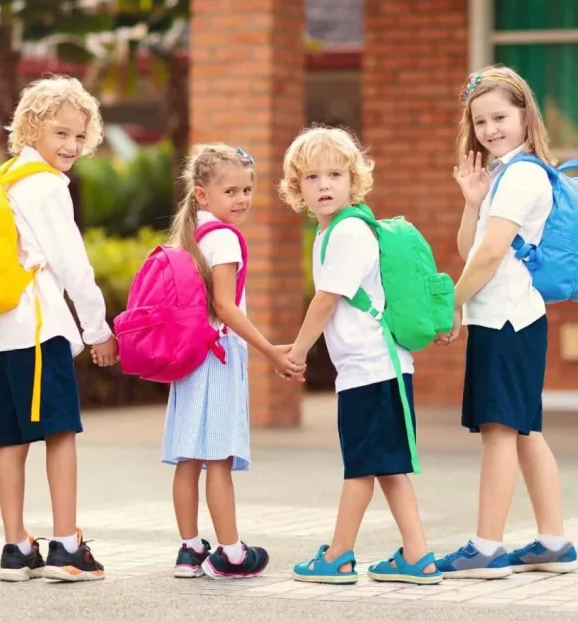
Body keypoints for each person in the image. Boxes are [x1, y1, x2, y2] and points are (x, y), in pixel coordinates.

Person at [0, 75, 117, 582]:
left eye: (80, 136)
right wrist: (98, 330)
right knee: (60, 433)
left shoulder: (4, 181)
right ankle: (67, 546)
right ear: (31, 129)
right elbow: (74, 267)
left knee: (10, 440)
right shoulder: (47, 187)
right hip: (37, 329)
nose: (72, 146)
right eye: (61, 134)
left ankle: (16, 548)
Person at [434, 66, 578, 579]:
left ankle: (485, 547)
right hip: (513, 317)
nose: (490, 129)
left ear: (524, 115)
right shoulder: (503, 175)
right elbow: (470, 246)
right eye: (480, 121)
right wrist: (473, 201)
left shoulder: (523, 174)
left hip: (507, 320)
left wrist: (451, 302)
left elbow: (493, 252)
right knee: (522, 431)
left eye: (500, 117)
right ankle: (554, 542)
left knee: (499, 430)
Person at [281, 127, 441, 586]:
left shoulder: (349, 231)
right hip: (374, 369)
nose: (324, 184)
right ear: (298, 189)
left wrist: (298, 351)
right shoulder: (333, 231)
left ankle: (339, 555)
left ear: (355, 181)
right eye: (312, 177)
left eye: (335, 174)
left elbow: (326, 300)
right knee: (387, 465)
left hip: (372, 370)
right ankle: (418, 556)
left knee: (361, 467)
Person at [162, 143, 306, 580]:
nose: (242, 199)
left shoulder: (191, 234)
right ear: (203, 194)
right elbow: (225, 307)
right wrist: (270, 350)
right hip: (217, 357)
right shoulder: (223, 239)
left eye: (247, 189)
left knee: (188, 458)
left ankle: (189, 550)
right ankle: (231, 553)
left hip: (187, 359)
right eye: (232, 191)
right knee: (218, 458)